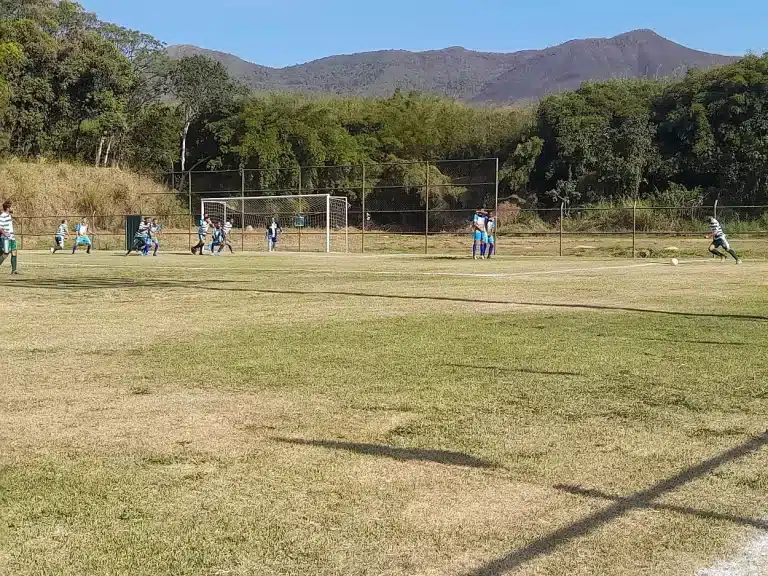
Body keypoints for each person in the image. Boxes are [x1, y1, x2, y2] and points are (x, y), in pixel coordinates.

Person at [0, 200, 18, 275]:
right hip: (5, 238)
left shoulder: (9, 215)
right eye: (11, 207)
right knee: (5, 253)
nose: (13, 208)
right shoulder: (2, 216)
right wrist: (4, 233)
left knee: (14, 252)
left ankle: (14, 270)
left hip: (11, 237)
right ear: (8, 208)